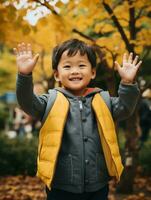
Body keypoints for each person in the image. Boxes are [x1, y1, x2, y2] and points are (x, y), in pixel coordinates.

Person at [14, 39, 141, 200]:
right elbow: (27, 103)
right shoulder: (50, 100)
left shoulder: (103, 99)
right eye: (67, 66)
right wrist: (24, 75)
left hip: (98, 184)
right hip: (60, 185)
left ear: (93, 72)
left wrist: (128, 83)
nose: (75, 71)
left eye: (81, 65)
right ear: (57, 74)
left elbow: (125, 108)